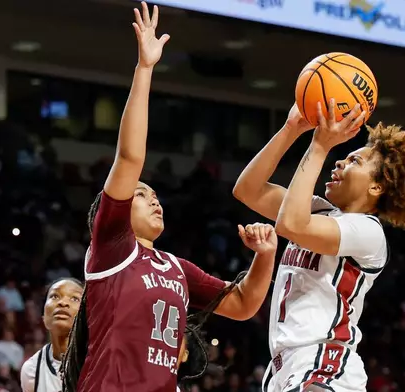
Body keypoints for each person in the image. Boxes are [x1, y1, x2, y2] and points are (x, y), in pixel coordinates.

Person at [61, 3, 278, 391]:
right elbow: (130, 157)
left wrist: (265, 256)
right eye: (142, 195)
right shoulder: (111, 246)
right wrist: (145, 69)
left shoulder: (176, 268)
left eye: (156, 194)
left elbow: (244, 304)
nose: (155, 199)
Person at [233, 101, 405, 392]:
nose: (340, 162)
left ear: (376, 187)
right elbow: (247, 190)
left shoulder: (369, 232)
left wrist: (319, 146)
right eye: (344, 157)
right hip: (285, 365)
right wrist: (290, 130)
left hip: (324, 362)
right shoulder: (319, 212)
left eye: (355, 161)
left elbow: (291, 225)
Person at [21, 278, 84, 392]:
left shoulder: (100, 362)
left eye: (74, 298)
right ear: (43, 316)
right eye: (55, 296)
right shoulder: (32, 370)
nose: (63, 303)